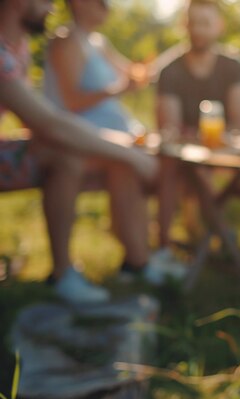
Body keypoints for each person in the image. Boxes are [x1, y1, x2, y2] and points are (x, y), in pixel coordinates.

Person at [0, 0, 159, 303]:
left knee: (76, 153)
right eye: (44, 0)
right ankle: (63, 273)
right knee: (67, 155)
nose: (51, 7)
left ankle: (140, 259)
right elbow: (50, 123)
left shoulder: (16, 48)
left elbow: (36, 119)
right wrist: (126, 152)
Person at [42, 0, 187, 283]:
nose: (106, 7)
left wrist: (178, 52)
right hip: (82, 140)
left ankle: (142, 257)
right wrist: (120, 88)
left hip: (118, 139)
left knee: (150, 161)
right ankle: (139, 260)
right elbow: (71, 102)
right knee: (125, 162)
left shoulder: (98, 42)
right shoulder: (66, 41)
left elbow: (134, 73)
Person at [156, 0, 240, 252]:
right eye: (193, 22)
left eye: (205, 23)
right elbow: (170, 129)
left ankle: (212, 232)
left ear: (219, 26)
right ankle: (207, 235)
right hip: (184, 158)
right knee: (187, 167)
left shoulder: (233, 66)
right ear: (184, 25)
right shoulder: (169, 70)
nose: (198, 29)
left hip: (225, 154)